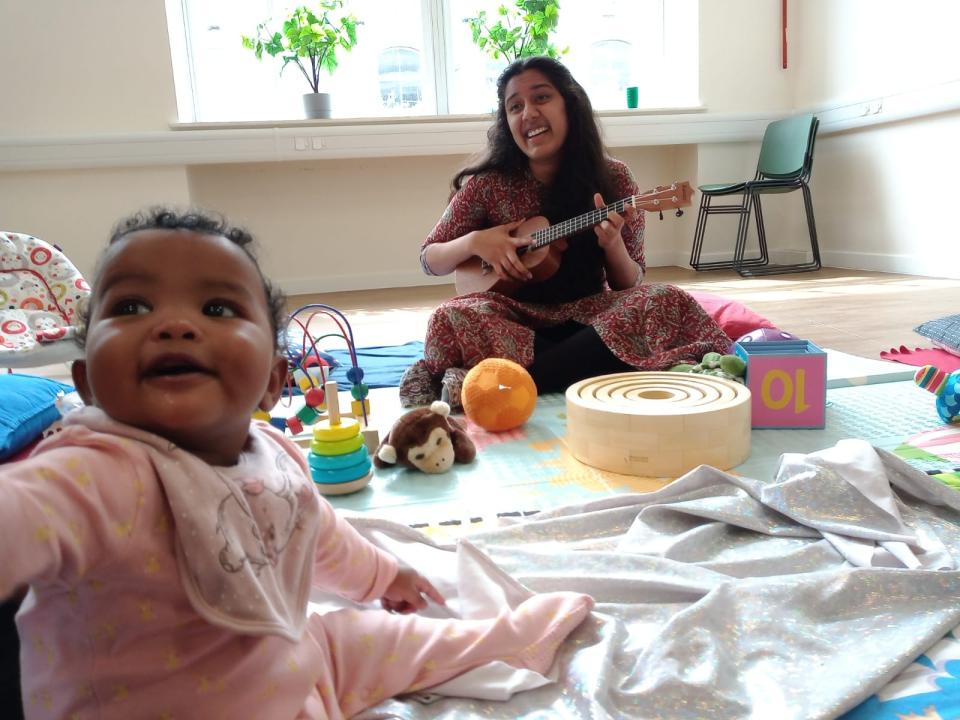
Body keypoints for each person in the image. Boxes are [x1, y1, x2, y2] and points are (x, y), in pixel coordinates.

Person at [0, 208, 593, 720]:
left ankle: (497, 644)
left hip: (289, 667)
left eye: (215, 306)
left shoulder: (274, 453)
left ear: (272, 382)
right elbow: (24, 511)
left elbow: (319, 533)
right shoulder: (93, 473)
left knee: (364, 634)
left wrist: (385, 577)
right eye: (131, 305)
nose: (174, 324)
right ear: (86, 384)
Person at [400, 56, 731, 408]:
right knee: (451, 316)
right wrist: (476, 241)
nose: (527, 113)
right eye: (515, 106)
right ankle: (585, 368)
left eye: (541, 97)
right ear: (506, 121)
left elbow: (629, 282)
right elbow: (429, 258)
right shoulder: (487, 184)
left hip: (592, 318)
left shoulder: (615, 178)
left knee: (665, 300)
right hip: (513, 317)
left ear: (569, 104)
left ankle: (508, 380)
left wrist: (613, 245)